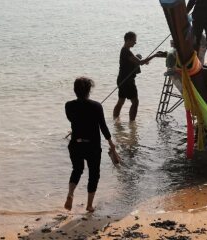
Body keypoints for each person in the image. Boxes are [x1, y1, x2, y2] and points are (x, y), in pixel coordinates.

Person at [64, 77, 115, 213]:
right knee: (94, 174)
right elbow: (103, 127)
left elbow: (71, 119)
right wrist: (111, 142)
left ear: (75, 90)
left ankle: (70, 193)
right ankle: (89, 205)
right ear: (89, 90)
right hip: (92, 146)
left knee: (77, 170)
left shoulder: (68, 105)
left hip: (76, 144)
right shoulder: (96, 106)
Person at [113, 31, 165, 121]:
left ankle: (115, 120)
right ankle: (132, 123)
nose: (135, 42)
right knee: (135, 102)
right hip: (127, 81)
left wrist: (143, 61)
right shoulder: (126, 51)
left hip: (121, 79)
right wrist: (155, 55)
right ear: (128, 40)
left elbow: (136, 61)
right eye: (134, 40)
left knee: (121, 101)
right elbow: (140, 62)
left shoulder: (125, 50)